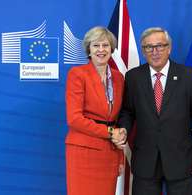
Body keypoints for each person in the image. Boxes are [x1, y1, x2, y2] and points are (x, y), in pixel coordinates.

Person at [114, 27, 192, 195]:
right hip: (145, 160)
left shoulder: (188, 76)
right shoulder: (133, 77)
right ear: (143, 51)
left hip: (181, 160)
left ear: (169, 48)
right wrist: (123, 128)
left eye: (160, 46)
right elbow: (128, 112)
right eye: (149, 47)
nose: (155, 52)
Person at [65, 26, 126, 195]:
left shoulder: (119, 77)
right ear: (88, 49)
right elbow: (74, 119)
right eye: (96, 45)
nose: (101, 50)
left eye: (105, 45)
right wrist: (109, 133)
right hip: (83, 152)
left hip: (110, 154)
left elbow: (117, 120)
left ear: (111, 49)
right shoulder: (77, 73)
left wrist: (120, 155)